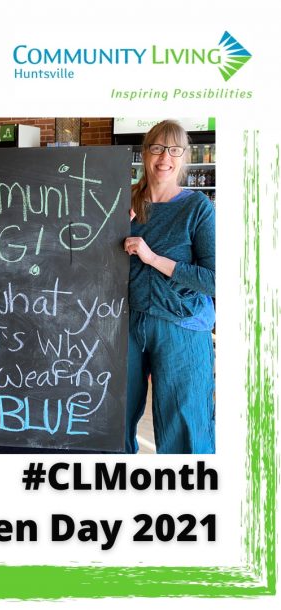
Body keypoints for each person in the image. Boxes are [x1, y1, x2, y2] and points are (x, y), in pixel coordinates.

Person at [123, 120, 215, 454]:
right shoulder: (123, 201)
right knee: (112, 420)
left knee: (184, 426)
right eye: (157, 148)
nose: (165, 158)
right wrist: (113, 223)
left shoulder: (197, 208)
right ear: (145, 153)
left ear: (184, 157)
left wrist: (153, 258)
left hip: (181, 327)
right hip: (125, 324)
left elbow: (215, 278)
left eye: (174, 150)